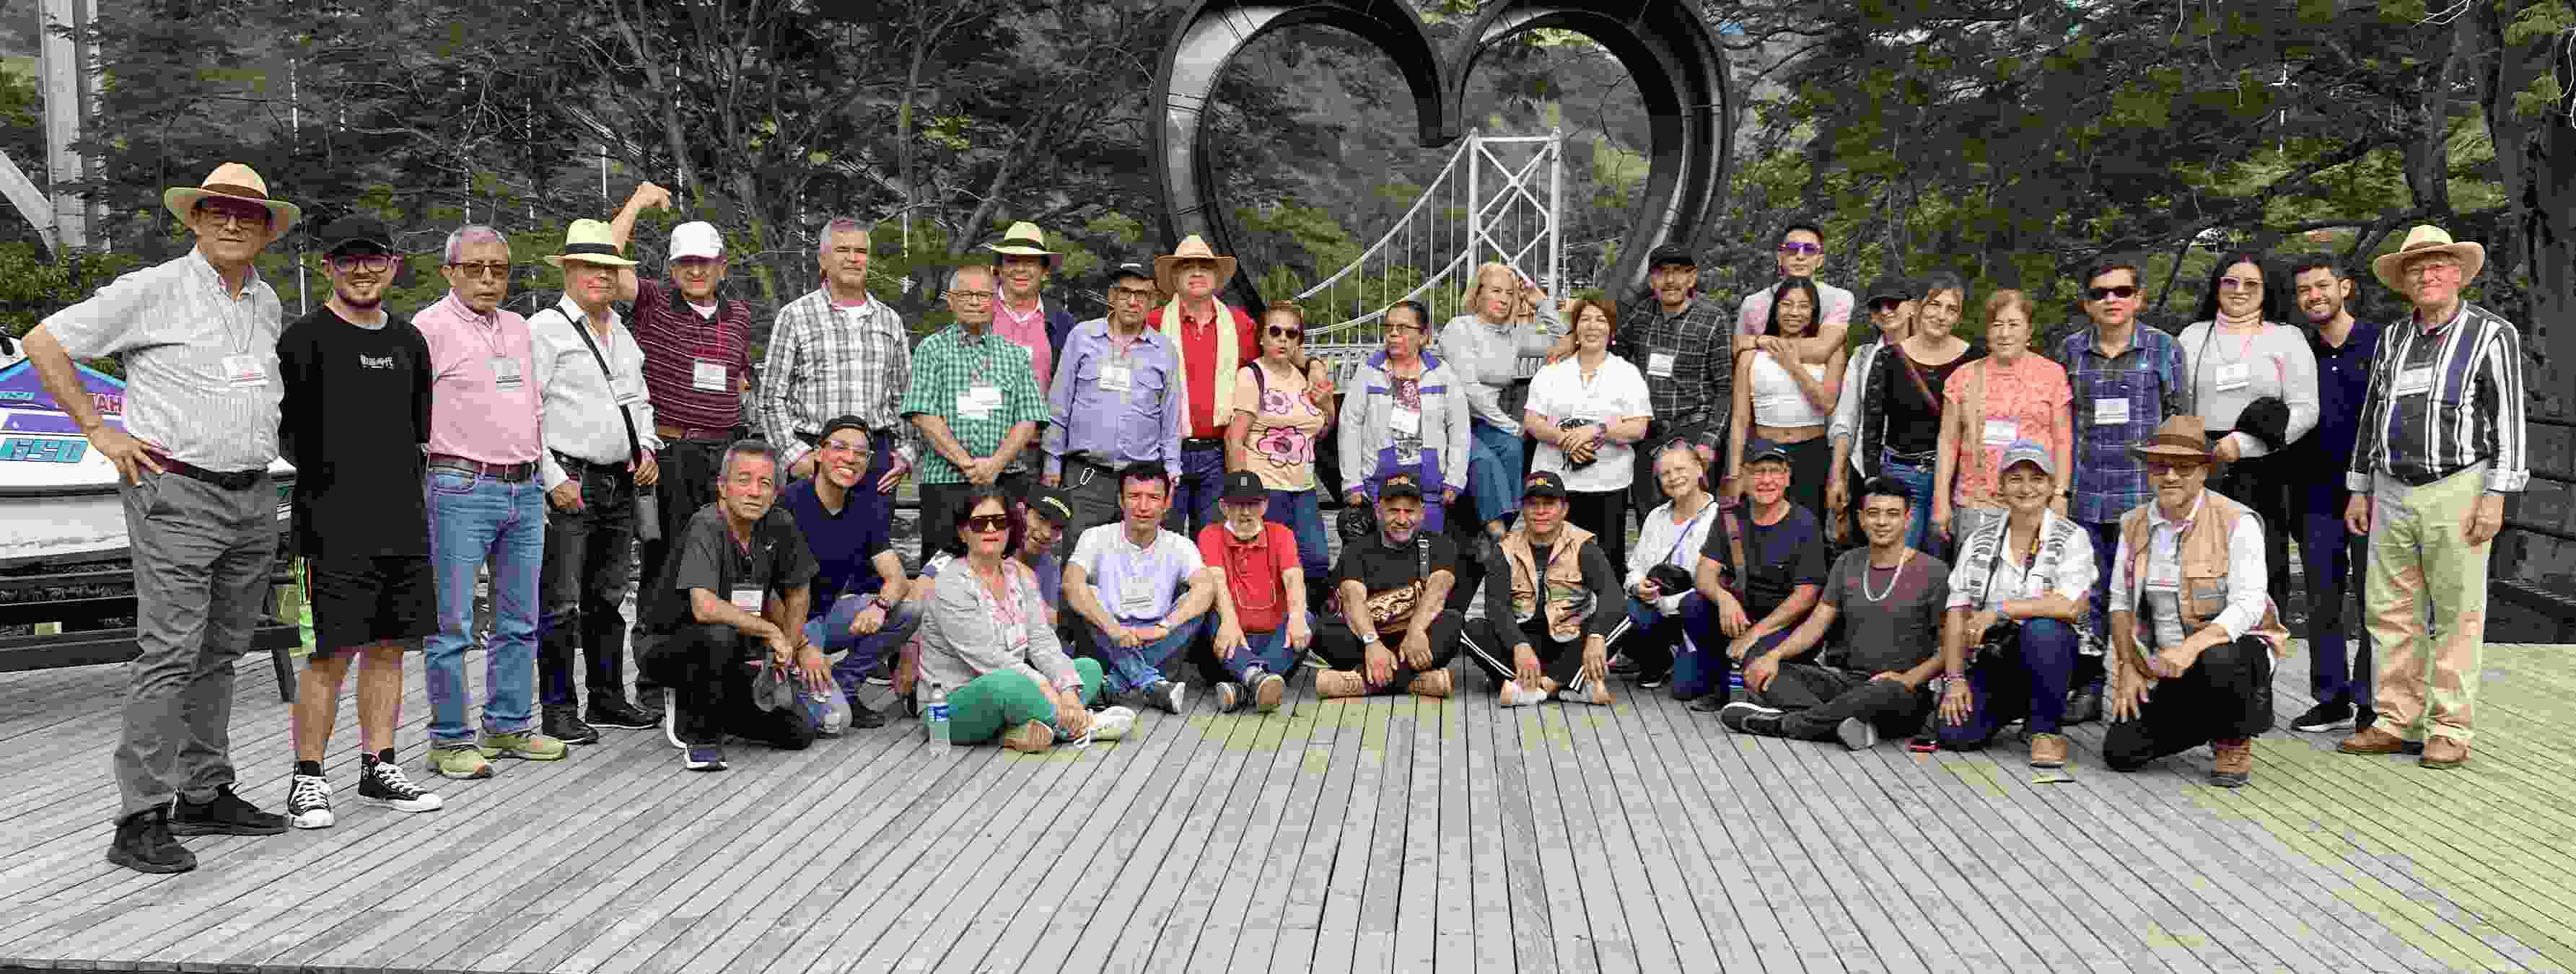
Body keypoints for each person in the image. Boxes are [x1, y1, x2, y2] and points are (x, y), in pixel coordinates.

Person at [24, 164, 306, 871]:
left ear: (268, 228)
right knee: (170, 654)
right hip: (174, 491)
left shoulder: (265, 300)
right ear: (195, 219)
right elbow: (43, 342)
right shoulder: (153, 290)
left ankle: (205, 793)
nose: (234, 222)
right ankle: (139, 818)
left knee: (220, 652)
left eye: (249, 213)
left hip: (250, 495)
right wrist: (99, 429)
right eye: (219, 210)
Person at [272, 216, 443, 830]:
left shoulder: (409, 341)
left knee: (391, 649)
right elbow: (282, 430)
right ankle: (308, 779)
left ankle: (379, 764)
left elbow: (419, 428)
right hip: (324, 528)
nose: (362, 270)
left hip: (401, 520)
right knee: (324, 653)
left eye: (374, 259)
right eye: (348, 260)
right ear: (328, 268)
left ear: (393, 266)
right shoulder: (302, 339)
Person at [2338, 226, 2529, 769]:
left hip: (2459, 487)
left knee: (2457, 613)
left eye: (2438, 265)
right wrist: (2359, 488)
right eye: (2416, 268)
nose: (2427, 274)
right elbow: (2372, 417)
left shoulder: (2493, 334)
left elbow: (2510, 422)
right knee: (2389, 611)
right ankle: (2395, 720)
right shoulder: (2393, 339)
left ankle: (2449, 728)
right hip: (2392, 488)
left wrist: (2497, 496)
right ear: (2403, 280)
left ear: (2458, 274)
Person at [411, 224, 569, 780]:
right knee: (451, 624)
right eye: (474, 268)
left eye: (497, 269)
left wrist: (546, 477)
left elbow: (534, 409)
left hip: (523, 488)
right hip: (459, 485)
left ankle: (506, 724)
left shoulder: (520, 328)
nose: (486, 278)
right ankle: (449, 740)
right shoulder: (426, 330)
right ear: (449, 270)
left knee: (520, 620)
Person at [528, 218, 662, 745]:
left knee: (607, 598)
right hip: (571, 476)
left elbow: (638, 398)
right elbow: (527, 410)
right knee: (560, 600)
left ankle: (606, 698)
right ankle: (558, 709)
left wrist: (647, 446)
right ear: (568, 271)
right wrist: (550, 474)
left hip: (620, 480)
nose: (600, 277)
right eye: (589, 267)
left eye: (609, 268)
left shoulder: (622, 332)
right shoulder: (545, 329)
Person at [2103, 418, 2290, 786]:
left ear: (2204, 471)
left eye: (2184, 467)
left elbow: (2249, 605)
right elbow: (2120, 601)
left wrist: (2192, 648)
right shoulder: (2132, 524)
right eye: (2160, 466)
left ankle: (2233, 737)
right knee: (2121, 752)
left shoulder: (2238, 521)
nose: (2170, 475)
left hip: (2229, 654)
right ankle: (2213, 716)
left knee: (2222, 657)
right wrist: (2127, 665)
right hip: (2166, 666)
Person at [624, 197, 755, 720]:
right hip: (672, 449)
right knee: (665, 562)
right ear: (672, 269)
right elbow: (604, 261)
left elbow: (740, 376)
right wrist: (635, 203)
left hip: (722, 452)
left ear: (721, 266)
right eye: (686, 263)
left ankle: (724, 662)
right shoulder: (653, 302)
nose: (696, 271)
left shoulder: (740, 314)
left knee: (730, 559)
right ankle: (654, 675)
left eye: (705, 262)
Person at [1714, 475, 1952, 750]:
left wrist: (1908, 679)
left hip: (1901, 691)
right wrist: (1773, 656)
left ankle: (1782, 724)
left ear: (1908, 518)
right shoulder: (1847, 563)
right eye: (1873, 513)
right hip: (1848, 680)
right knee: (1769, 672)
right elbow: (1816, 625)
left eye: (1893, 514)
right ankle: (1842, 725)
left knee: (1882, 692)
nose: (1882, 522)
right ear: (1861, 518)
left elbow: (1948, 649)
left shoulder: (1934, 571)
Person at [2053, 257, 2190, 725]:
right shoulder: (2069, 351)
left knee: (2152, 599)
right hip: (2087, 495)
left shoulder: (2165, 349)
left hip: (2146, 499)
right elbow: (2061, 424)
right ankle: (2090, 687)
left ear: (2139, 298)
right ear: (2086, 303)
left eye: (2121, 291)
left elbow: (2180, 423)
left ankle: (2156, 688)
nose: (2111, 300)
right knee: (2090, 601)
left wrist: (2180, 494)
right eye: (2100, 293)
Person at [638, 440, 825, 771]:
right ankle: (701, 738)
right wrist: (771, 631)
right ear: (722, 487)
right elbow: (704, 607)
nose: (754, 491)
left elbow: (798, 591)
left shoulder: (779, 524)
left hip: (737, 650)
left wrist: (791, 648)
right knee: (718, 633)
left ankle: (712, 706)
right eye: (744, 480)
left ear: (776, 491)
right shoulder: (706, 524)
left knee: (799, 732)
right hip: (668, 645)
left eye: (765, 483)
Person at [916, 486, 1139, 750]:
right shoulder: (951, 583)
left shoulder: (1019, 576)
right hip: (951, 706)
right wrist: (1051, 692)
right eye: (979, 523)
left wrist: (1067, 691)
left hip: (1018, 686)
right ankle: (1083, 724)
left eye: (999, 522)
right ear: (963, 533)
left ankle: (1025, 728)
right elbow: (989, 659)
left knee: (1086, 669)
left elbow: (1042, 640)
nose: (990, 529)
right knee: (1007, 684)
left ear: (1011, 529)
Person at [758, 217, 914, 582]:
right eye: (843, 250)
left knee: (870, 567)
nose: (853, 258)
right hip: (814, 455)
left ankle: (866, 632)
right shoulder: (795, 316)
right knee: (802, 565)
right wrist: (794, 454)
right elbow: (769, 398)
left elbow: (906, 398)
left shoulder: (889, 321)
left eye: (861, 251)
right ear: (823, 259)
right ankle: (801, 638)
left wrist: (906, 455)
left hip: (874, 462)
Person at [1931, 441, 2095, 768]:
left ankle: (2046, 730)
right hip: (1998, 657)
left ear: (2051, 486)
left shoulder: (2072, 536)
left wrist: (2001, 610)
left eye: (2036, 479)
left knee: (2044, 629)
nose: (2026, 488)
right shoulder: (1979, 539)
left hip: (2060, 654)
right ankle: (2025, 706)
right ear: (2001, 487)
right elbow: (1957, 612)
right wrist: (1955, 680)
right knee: (1954, 733)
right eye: (2015, 478)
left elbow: (2070, 607)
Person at [2174, 253, 2317, 618]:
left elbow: (2305, 409)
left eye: (2251, 284)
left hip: (2265, 463)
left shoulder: (2286, 337)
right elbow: (2175, 404)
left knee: (2261, 566)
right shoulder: (2192, 336)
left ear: (2266, 290)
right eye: (2230, 282)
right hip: (2204, 463)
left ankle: (2260, 659)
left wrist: (2244, 444)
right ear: (2216, 286)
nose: (2239, 291)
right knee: (2201, 564)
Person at [2280, 256, 2383, 734]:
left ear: (2345, 287)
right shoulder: (2298, 351)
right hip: (2314, 494)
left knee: (2374, 601)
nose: (2313, 296)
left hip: (2373, 494)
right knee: (2322, 600)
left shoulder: (2381, 343)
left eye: (2322, 286)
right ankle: (2331, 699)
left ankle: (2371, 700)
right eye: (2304, 290)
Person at [779, 417, 920, 727]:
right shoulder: (787, 502)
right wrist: (801, 646)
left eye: (861, 453)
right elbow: (766, 592)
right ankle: (796, 683)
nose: (850, 458)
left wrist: (880, 607)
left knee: (907, 611)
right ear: (819, 453)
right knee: (833, 722)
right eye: (840, 447)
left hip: (827, 617)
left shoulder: (863, 508)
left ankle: (845, 683)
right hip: (787, 622)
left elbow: (897, 578)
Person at [902, 264, 1048, 555]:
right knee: (943, 570)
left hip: (1006, 479)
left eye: (983, 295)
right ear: (950, 300)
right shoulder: (932, 349)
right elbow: (921, 413)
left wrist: (994, 464)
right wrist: (968, 464)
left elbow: (1030, 417)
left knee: (1006, 567)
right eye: (965, 294)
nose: (974, 301)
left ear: (995, 302)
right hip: (946, 481)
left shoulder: (1015, 355)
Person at [1043, 259, 1186, 543]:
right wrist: (1052, 461)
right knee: (1078, 566)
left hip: (1141, 482)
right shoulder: (1082, 337)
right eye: (1125, 292)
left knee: (1137, 570)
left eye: (1141, 295)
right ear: (1112, 296)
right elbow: (1059, 405)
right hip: (1085, 477)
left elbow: (1171, 418)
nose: (1132, 301)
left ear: (1152, 301)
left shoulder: (1164, 350)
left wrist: (1171, 470)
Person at [1681, 439, 1827, 710]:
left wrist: (1756, 634)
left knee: (1755, 662)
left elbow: (1807, 596)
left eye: (1774, 471)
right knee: (1692, 605)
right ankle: (1722, 679)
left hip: (1787, 623)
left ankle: (1790, 681)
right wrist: (1724, 599)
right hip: (1740, 615)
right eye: (1758, 472)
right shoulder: (1730, 517)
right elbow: (1703, 574)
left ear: (1787, 478)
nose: (1766, 480)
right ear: (1745, 477)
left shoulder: (1805, 523)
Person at [1061, 468, 1218, 714]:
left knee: (1196, 600)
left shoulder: (1180, 545)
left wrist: (1163, 627)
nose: (1143, 506)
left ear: (1167, 503)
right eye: (1134, 496)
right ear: (1120, 501)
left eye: (1153, 498)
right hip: (1106, 640)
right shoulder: (1095, 537)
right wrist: (1114, 630)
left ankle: (1114, 686)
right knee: (1086, 592)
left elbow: (1206, 587)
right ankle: (1149, 683)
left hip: (1160, 644)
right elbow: (1071, 583)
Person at [1932, 289, 2072, 550]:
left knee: (2033, 580)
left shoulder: (2052, 375)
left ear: (2029, 331)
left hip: (2035, 500)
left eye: (2013, 324)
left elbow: (2063, 439)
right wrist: (1941, 500)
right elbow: (1948, 441)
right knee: (1975, 580)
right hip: (1977, 502)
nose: (2004, 333)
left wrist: (2060, 494)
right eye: (1997, 325)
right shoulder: (1962, 378)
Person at [1468, 472, 1621, 706]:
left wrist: (1596, 635)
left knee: (1624, 615)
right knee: (1471, 630)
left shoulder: (1583, 544)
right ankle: (1571, 685)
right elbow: (1497, 608)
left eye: (1549, 504)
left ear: (1564, 509)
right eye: (1533, 505)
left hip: (1569, 640)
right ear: (1523, 508)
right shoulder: (1505, 549)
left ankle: (1539, 688)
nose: (1540, 511)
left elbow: (1611, 595)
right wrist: (1519, 645)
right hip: (1524, 640)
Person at [1523, 297, 1651, 572]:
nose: (1592, 326)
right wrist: (1565, 439)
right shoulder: (1551, 372)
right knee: (1554, 564)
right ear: (1575, 329)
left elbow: (1639, 427)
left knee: (1605, 565)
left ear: (1612, 329)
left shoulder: (1627, 374)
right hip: (1555, 484)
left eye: (1601, 320)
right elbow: (1532, 420)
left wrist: (1597, 430)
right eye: (1585, 319)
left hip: (1607, 484)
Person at [1313, 472, 1466, 699]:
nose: (1402, 519)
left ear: (1422, 513)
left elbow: (1438, 591)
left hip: (1413, 641)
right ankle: (1415, 682)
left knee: (1452, 623)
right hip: (1369, 638)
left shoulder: (1440, 545)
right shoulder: (1357, 550)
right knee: (1321, 632)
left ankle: (1364, 684)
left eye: (1409, 511)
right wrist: (1372, 644)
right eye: (1394, 510)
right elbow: (1352, 599)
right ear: (1378, 512)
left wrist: (1415, 631)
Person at [1440, 263, 1561, 545]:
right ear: (1478, 294)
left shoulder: (1514, 334)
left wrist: (1540, 302)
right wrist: (1508, 423)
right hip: (1449, 422)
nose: (1504, 299)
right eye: (1496, 291)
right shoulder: (1459, 328)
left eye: (1509, 293)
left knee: (1513, 449)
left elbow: (1565, 339)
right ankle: (1497, 534)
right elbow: (1469, 388)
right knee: (1484, 461)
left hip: (1485, 423)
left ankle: (1492, 533)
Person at [1609, 244, 1735, 517]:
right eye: (1662, 273)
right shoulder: (1642, 314)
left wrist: (1708, 443)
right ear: (1651, 280)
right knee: (1649, 516)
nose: (1670, 281)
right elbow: (1611, 352)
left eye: (1678, 272)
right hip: (1648, 433)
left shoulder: (1713, 319)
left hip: (1692, 431)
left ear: (1692, 278)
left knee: (1693, 521)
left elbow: (1726, 390)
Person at [1149, 234, 1262, 533]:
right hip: (1166, 450)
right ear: (1175, 276)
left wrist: (1314, 366)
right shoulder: (1154, 324)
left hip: (1217, 453)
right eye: (1188, 266)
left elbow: (1267, 370)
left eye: (1205, 267)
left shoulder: (1241, 325)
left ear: (1216, 277)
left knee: (1212, 543)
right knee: (1163, 540)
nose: (1197, 272)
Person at [1338, 300, 1470, 534]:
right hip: (1377, 483)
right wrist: (1352, 483)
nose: (1393, 334)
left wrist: (1455, 479)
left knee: (1429, 554)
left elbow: (1459, 429)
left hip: (1429, 483)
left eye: (1403, 328)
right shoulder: (1368, 372)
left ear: (1423, 336)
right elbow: (1350, 426)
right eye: (1389, 328)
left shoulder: (1443, 374)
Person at [1227, 300, 1335, 584]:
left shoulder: (1304, 376)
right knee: (1269, 567)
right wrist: (1241, 495)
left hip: (1304, 487)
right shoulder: (1252, 376)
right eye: (1275, 332)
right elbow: (1234, 438)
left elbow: (1322, 429)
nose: (1283, 339)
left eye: (1291, 333)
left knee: (1315, 562)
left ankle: (1304, 621)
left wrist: (1327, 405)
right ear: (1261, 337)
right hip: (1266, 487)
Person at [1199, 471, 1314, 714]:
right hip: (1231, 648)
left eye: (1253, 504)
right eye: (1237, 505)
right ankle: (1256, 678)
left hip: (1275, 646)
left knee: (1306, 617)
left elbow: (1294, 578)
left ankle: (1246, 686)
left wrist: (1296, 616)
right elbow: (1216, 581)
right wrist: (1229, 621)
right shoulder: (1210, 534)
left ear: (1265, 505)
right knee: (1213, 617)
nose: (1245, 512)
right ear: (1223, 507)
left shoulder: (1281, 534)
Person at [1727, 277, 1843, 515]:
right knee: (1761, 525)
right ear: (1775, 308)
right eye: (1787, 304)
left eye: (1803, 306)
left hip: (1812, 452)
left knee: (1808, 527)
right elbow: (1739, 420)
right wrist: (1735, 472)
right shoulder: (1750, 355)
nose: (1794, 312)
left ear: (1813, 312)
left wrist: (1793, 365)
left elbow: (1827, 404)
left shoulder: (1831, 352)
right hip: (1763, 449)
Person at [1612, 439, 1722, 689]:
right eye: (1665, 473)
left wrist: (1662, 602)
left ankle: (1691, 658)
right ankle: (1657, 661)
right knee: (1622, 608)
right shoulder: (1656, 516)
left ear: (1699, 469)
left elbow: (1716, 585)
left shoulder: (1719, 518)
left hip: (1696, 613)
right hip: (1656, 607)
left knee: (1685, 689)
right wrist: (1639, 587)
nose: (1673, 478)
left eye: (1680, 470)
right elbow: (1635, 568)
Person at [1825, 277, 1915, 543]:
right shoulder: (1862, 357)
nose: (1886, 311)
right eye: (1877, 306)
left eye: (1893, 303)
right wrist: (1837, 475)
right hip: (1864, 471)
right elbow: (1846, 419)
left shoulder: (1933, 356)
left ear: (1912, 307)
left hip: (1915, 471)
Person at [986, 221, 1079, 403]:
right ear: (1000, 269)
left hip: (1040, 428)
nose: (1020, 269)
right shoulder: (979, 311)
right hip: (983, 427)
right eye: (1012, 260)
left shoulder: (1061, 321)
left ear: (1045, 272)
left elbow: (1069, 387)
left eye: (1030, 261)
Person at [1733, 219, 1855, 345]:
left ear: (1820, 260)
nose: (1800, 256)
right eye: (1792, 248)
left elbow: (1825, 347)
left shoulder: (1839, 299)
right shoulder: (1752, 304)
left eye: (1810, 249)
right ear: (1780, 257)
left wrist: (1761, 342)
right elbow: (1738, 350)